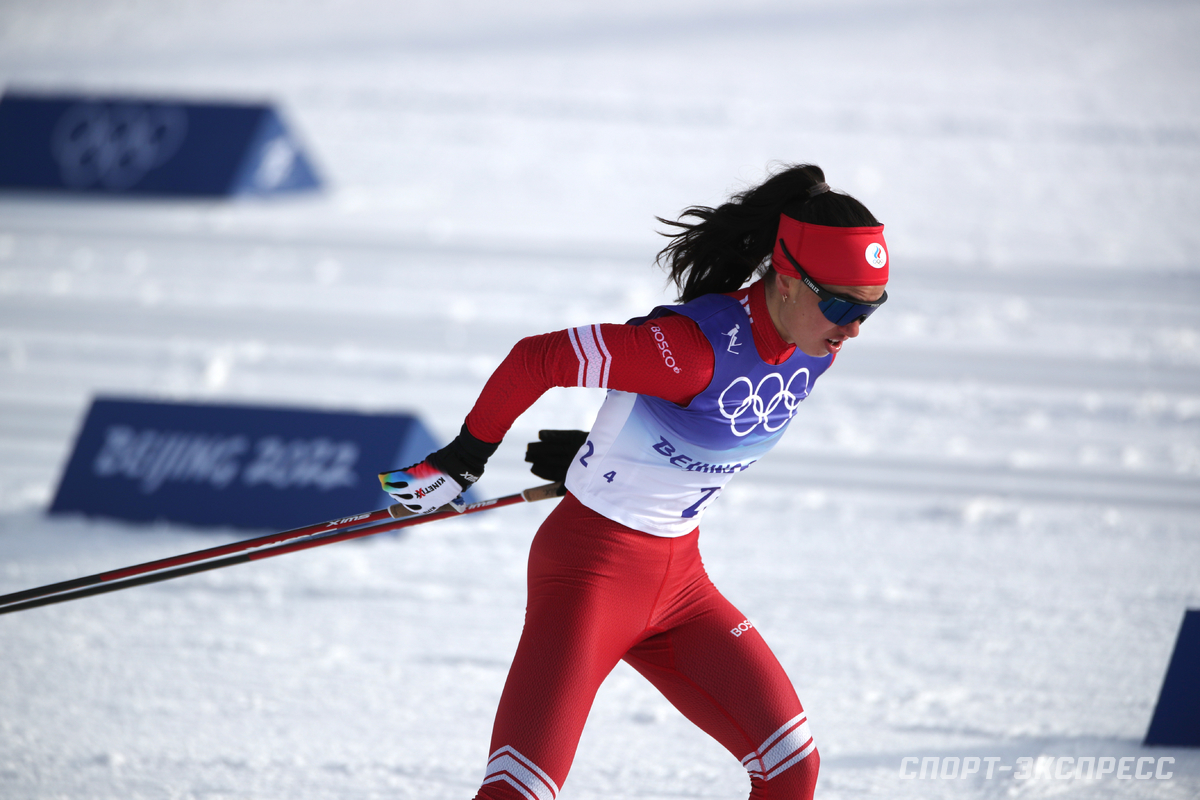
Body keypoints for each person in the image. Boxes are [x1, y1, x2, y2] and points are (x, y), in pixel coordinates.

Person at [380, 163, 889, 800]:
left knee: (792, 768)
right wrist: (465, 457)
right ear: (787, 280)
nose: (854, 328)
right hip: (590, 577)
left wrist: (604, 452)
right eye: (841, 304)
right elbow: (535, 358)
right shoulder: (691, 347)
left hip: (681, 581)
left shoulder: (813, 344)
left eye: (872, 308)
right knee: (518, 792)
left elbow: (689, 430)